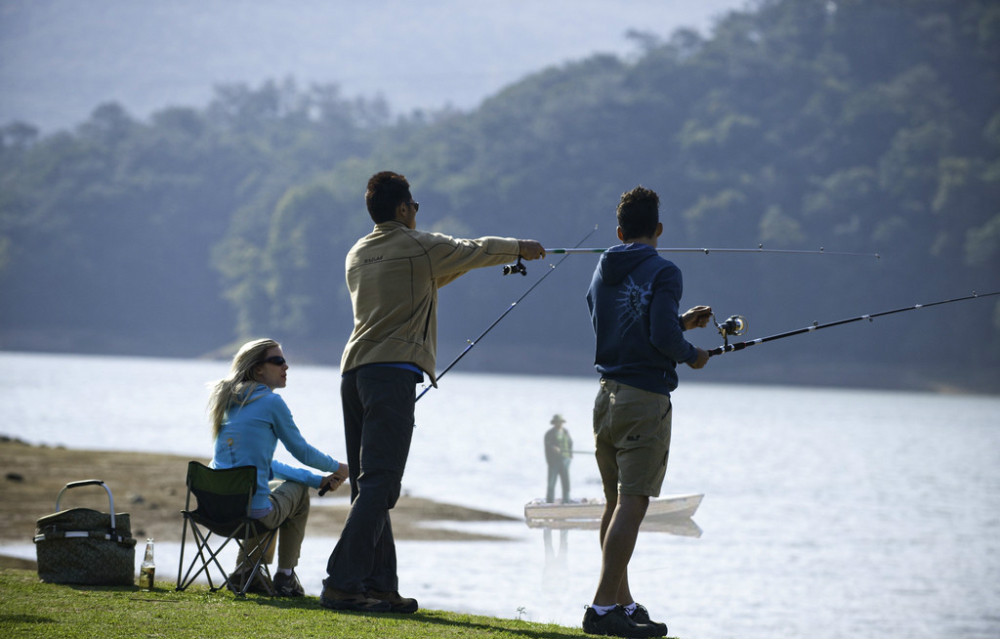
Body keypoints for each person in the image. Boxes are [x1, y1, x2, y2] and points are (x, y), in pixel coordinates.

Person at [321, 170, 546, 614]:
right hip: (391, 374)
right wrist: (520, 247)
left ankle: (379, 584)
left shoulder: (358, 253)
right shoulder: (416, 246)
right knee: (381, 483)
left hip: (353, 373)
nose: (418, 214)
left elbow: (432, 277)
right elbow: (472, 249)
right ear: (403, 209)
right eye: (415, 207)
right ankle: (342, 583)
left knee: (370, 485)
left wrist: (468, 262)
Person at [582, 186, 712, 638]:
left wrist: (678, 324)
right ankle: (600, 609)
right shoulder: (665, 271)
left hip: (606, 394)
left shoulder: (603, 266)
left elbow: (614, 319)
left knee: (615, 503)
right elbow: (659, 335)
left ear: (620, 231)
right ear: (658, 229)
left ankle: (621, 603)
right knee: (633, 503)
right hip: (644, 398)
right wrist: (691, 352)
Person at [208, 338, 349, 597]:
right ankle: (284, 577)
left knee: (270, 491)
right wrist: (339, 467)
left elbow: (264, 464)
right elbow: (302, 451)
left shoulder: (229, 401)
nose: (287, 366)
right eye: (278, 361)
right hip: (249, 513)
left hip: (213, 511)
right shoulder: (272, 403)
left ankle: (247, 569)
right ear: (258, 369)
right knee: (294, 495)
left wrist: (317, 480)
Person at [544, 414, 573, 503]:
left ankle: (566, 500)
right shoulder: (549, 434)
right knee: (551, 483)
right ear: (554, 423)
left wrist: (569, 456)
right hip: (554, 462)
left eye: (560, 422)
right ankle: (550, 500)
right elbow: (547, 445)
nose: (559, 424)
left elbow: (570, 443)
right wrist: (553, 447)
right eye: (557, 422)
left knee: (566, 482)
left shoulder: (566, 432)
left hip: (565, 460)